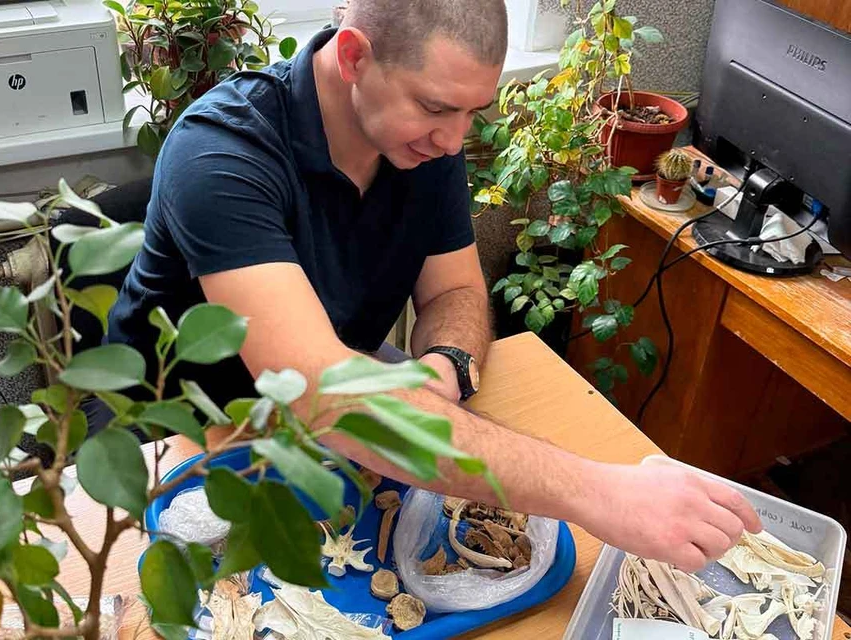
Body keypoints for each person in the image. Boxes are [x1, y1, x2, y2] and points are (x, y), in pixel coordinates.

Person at [106, 0, 761, 572]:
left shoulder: (422, 142)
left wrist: (444, 369)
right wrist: (600, 492)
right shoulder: (220, 153)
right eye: (436, 108)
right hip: (175, 447)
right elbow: (324, 397)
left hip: (326, 437)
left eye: (473, 111)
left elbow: (454, 294)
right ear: (354, 56)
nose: (455, 140)